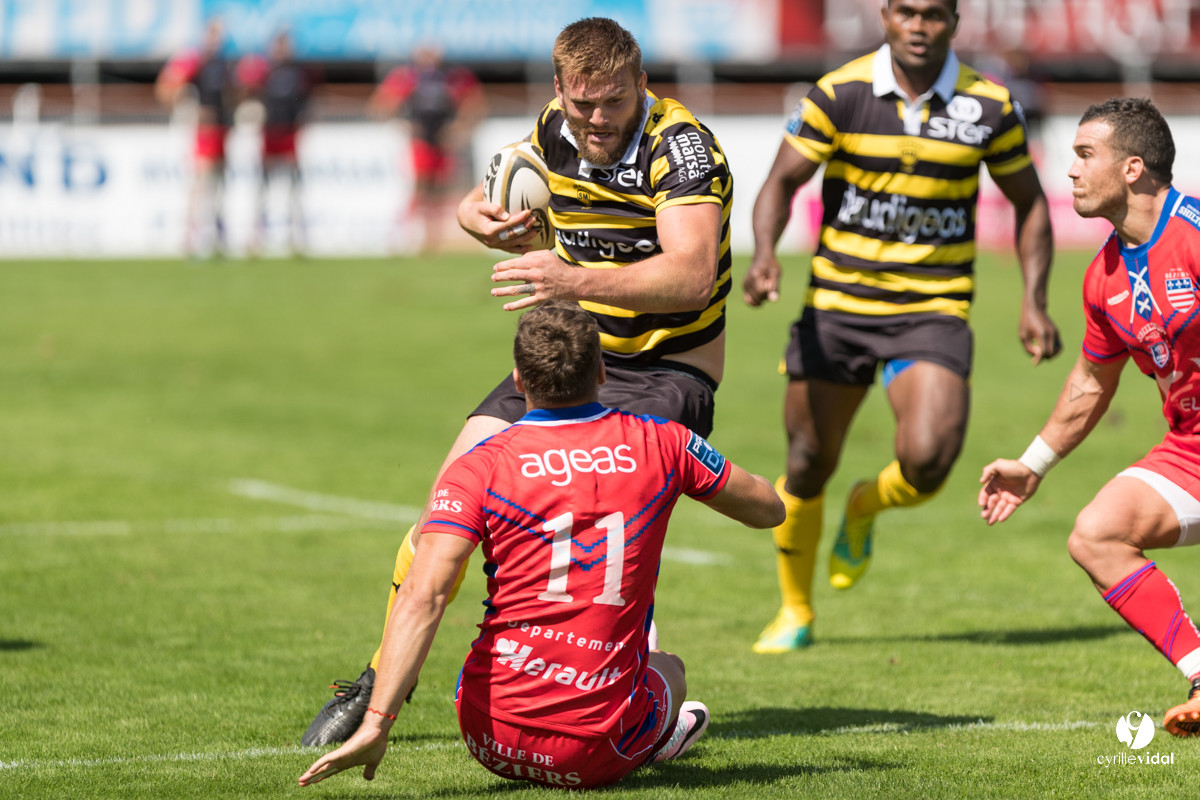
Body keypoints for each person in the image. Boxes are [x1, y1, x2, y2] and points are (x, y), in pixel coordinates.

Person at [301, 16, 735, 746]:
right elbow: (479, 201)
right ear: (561, 90)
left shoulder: (681, 149)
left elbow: (691, 276)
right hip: (569, 359)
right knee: (445, 510)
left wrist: (570, 275)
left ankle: (627, 703)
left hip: (666, 371)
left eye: (615, 103)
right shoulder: (552, 130)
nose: (597, 120)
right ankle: (380, 682)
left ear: (641, 86)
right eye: (582, 104)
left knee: (600, 539)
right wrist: (485, 224)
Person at [298, 303, 784, 788]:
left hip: (489, 736)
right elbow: (769, 510)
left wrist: (377, 722)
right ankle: (654, 739)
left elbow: (424, 595)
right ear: (601, 372)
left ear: (517, 380)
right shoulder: (665, 442)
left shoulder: (478, 465)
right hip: (595, 747)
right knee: (669, 669)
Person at [742, 0, 1061, 654]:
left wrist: (1034, 299)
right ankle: (795, 611)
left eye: (934, 14)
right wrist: (767, 256)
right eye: (906, 12)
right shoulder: (840, 93)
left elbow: (1030, 204)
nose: (919, 26)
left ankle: (866, 506)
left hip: (933, 307)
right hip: (838, 305)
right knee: (806, 462)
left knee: (929, 461)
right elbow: (780, 183)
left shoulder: (990, 106)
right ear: (885, 16)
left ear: (955, 22)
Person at [979, 97, 1200, 738]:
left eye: (1084, 155)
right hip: (1189, 446)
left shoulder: (1193, 236)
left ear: (1133, 168)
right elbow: (1090, 381)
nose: (1069, 170)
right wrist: (1032, 464)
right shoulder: (1104, 275)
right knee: (1096, 534)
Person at [368, 44, 486, 253]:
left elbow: (475, 103)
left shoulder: (452, 77)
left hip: (442, 144)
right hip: (422, 142)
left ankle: (432, 241)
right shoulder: (409, 76)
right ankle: (404, 237)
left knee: (438, 192)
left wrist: (459, 126)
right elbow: (381, 104)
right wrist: (403, 124)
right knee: (420, 188)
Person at [235, 30, 320, 256]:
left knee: (294, 190)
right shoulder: (264, 70)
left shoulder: (299, 73)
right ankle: (255, 238)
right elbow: (246, 94)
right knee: (263, 189)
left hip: (290, 135)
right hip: (270, 135)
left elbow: (307, 103)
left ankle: (297, 240)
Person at [156, 18, 235, 258]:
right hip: (205, 132)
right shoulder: (195, 60)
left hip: (222, 130)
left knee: (219, 188)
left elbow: (231, 95)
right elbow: (166, 88)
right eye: (213, 33)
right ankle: (190, 240)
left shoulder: (224, 64)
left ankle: (217, 240)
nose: (216, 38)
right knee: (200, 185)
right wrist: (188, 109)